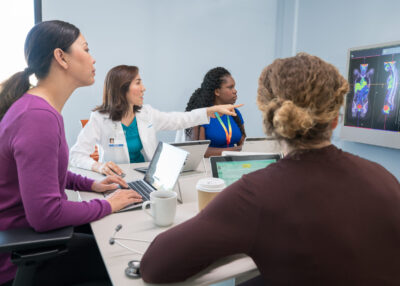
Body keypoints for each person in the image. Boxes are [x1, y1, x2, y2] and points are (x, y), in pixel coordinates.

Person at [140, 53, 400, 285]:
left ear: (269, 119)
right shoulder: (385, 179)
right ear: (334, 118)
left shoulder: (255, 195)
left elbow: (155, 267)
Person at [0, 20, 142, 286]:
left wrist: (93, 185)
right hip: (23, 257)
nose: (93, 58)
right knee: (122, 257)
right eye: (86, 49)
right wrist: (109, 204)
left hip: (31, 240)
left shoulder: (37, 108)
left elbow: (46, 173)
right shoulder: (37, 117)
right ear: (61, 57)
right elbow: (45, 215)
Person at [69, 65, 241, 176]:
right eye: (138, 83)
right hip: (117, 181)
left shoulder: (147, 113)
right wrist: (99, 167)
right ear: (122, 89)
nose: (144, 88)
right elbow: (76, 155)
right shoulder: (100, 119)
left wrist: (210, 110)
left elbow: (179, 120)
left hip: (148, 177)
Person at [184, 67, 246, 157]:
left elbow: (244, 145)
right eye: (230, 87)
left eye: (234, 87)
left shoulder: (235, 112)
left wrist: (239, 149)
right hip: (210, 166)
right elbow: (201, 151)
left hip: (234, 164)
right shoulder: (203, 115)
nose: (235, 91)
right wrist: (235, 150)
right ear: (217, 91)